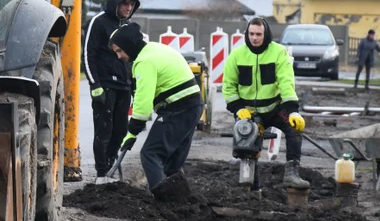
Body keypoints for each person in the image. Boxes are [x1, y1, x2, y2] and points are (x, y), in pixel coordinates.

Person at [109, 22, 203, 201]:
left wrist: (132, 130)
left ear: (129, 45)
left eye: (120, 51)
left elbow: (143, 104)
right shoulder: (154, 48)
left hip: (178, 108)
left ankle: (163, 202)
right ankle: (183, 203)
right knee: (172, 164)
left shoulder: (144, 61)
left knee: (150, 154)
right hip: (193, 106)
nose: (119, 56)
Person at [222, 17, 308, 189]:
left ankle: (292, 173)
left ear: (266, 34)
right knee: (246, 144)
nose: (255, 38)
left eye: (258, 34)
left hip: (275, 109)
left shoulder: (278, 52)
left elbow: (286, 82)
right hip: (249, 112)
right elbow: (228, 86)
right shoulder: (237, 55)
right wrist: (238, 109)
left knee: (294, 129)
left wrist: (292, 110)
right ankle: (252, 189)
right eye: (252, 34)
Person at [84, 0, 140, 177]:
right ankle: (101, 174)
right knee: (104, 131)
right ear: (116, 3)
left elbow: (133, 59)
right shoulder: (98, 23)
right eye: (125, 4)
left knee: (120, 131)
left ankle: (110, 167)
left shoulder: (127, 27)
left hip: (123, 86)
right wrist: (95, 84)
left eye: (132, 5)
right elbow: (87, 54)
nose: (128, 9)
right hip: (105, 86)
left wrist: (133, 87)